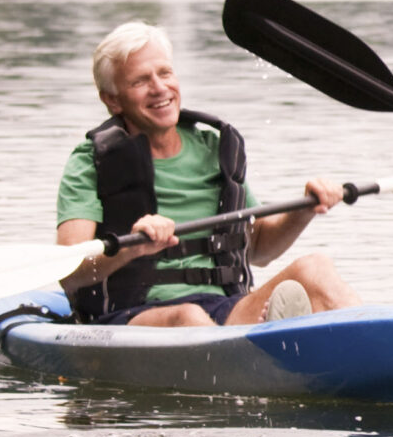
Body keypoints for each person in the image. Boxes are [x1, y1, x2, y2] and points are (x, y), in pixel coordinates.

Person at [56, 21, 359, 327]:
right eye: (140, 81)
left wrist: (306, 208)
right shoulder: (92, 162)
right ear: (112, 99)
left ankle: (380, 342)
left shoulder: (215, 150)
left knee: (315, 268)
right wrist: (130, 248)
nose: (160, 88)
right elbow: (69, 271)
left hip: (224, 308)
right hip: (132, 316)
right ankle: (260, 353)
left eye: (164, 73)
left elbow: (259, 248)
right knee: (187, 316)